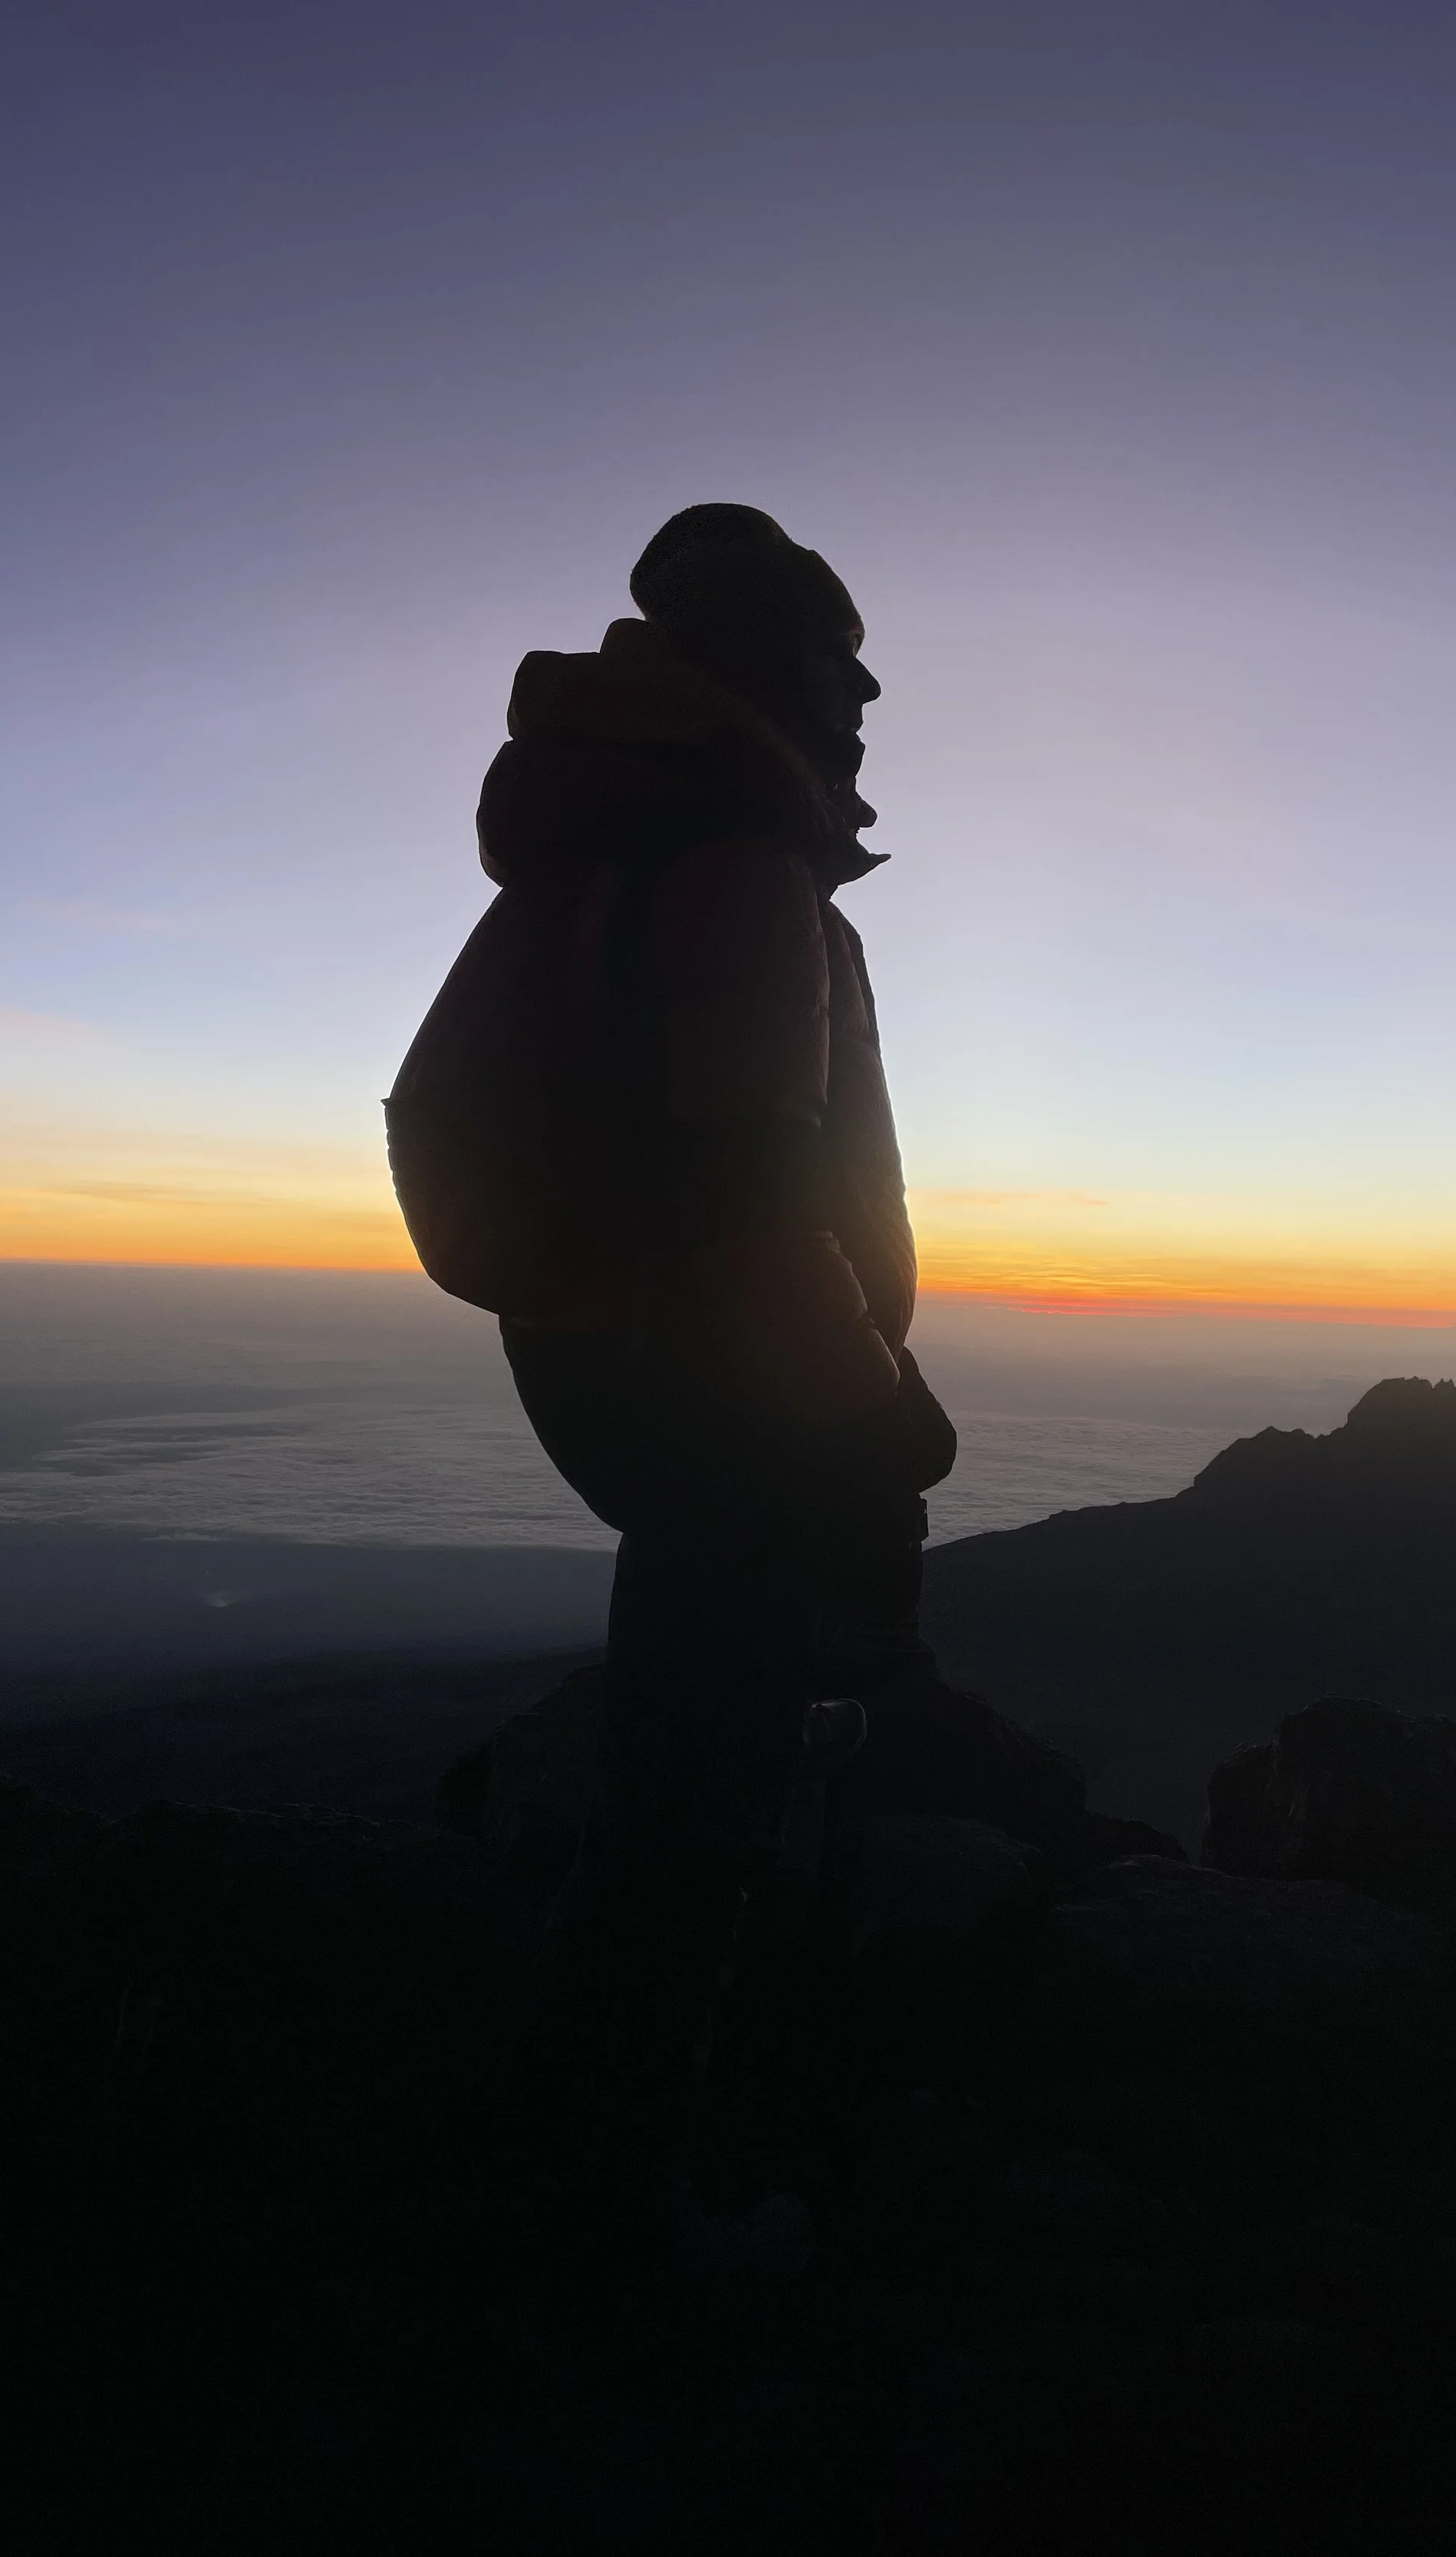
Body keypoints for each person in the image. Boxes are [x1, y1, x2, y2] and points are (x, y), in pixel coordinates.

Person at [387, 504, 956, 2185]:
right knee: (696, 1787)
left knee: (696, 1725)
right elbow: (747, 1204)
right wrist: (876, 1421)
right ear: (771, 670)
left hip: (611, 1346)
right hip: (720, 1375)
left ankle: (633, 2103)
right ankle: (616, 2173)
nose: (866, 699)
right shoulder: (733, 868)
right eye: (841, 665)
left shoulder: (625, 842)